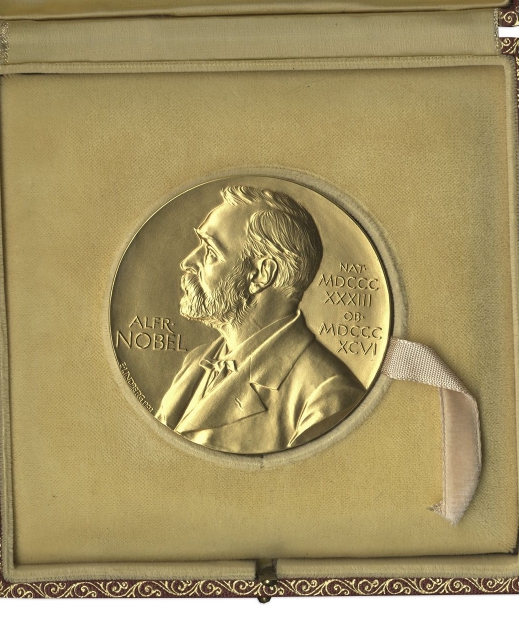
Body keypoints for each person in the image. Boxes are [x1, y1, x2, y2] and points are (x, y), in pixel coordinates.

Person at [155, 185, 364, 453]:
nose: (187, 262)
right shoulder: (195, 363)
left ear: (261, 274)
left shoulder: (327, 396)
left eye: (210, 251)